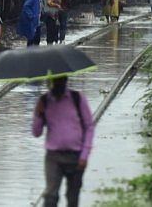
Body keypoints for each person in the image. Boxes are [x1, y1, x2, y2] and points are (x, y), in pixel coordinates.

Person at [32, 77, 94, 207]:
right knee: (50, 195)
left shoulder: (77, 99)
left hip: (76, 156)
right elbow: (36, 132)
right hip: (54, 157)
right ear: (51, 83)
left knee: (72, 197)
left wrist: (84, 155)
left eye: (61, 81)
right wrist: (38, 114)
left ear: (66, 81)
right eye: (55, 81)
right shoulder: (44, 101)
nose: (58, 84)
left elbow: (89, 127)